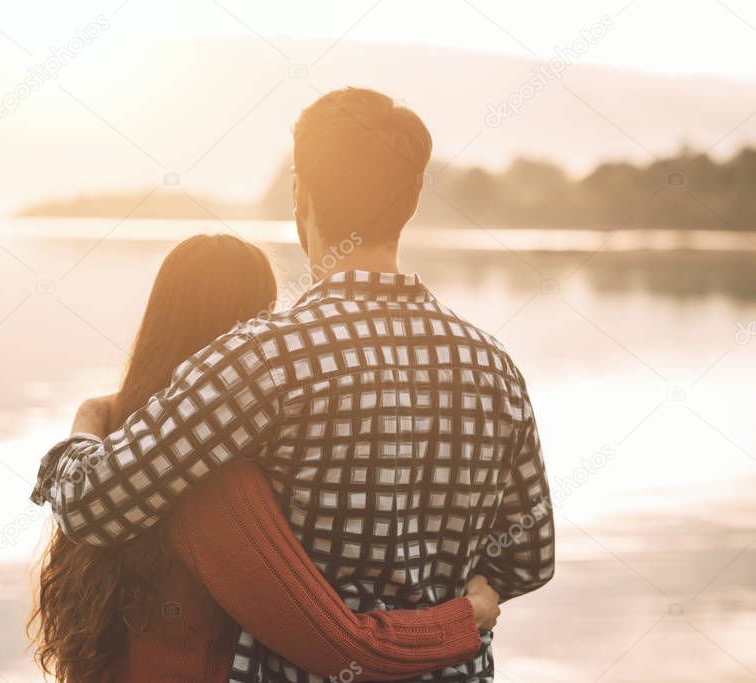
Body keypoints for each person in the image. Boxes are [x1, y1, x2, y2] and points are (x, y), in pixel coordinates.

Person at [32, 88, 555, 682]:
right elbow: (528, 559)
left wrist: (85, 428)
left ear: (302, 196)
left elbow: (92, 505)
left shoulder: (261, 358)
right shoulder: (495, 367)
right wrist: (454, 603)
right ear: (411, 203)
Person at [29, 234, 501, 683]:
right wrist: (466, 619)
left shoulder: (116, 454)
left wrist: (89, 417)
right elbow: (345, 648)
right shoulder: (216, 486)